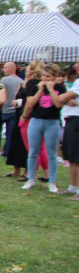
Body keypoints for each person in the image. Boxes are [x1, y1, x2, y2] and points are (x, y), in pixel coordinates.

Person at [21, 63, 66, 194]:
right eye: (44, 76)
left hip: (52, 122)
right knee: (33, 151)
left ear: (55, 77)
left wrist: (51, 90)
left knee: (52, 153)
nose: (46, 79)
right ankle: (30, 179)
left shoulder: (60, 88)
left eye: (49, 76)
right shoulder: (37, 86)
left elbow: (58, 104)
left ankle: (52, 181)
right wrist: (40, 90)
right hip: (36, 120)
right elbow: (30, 103)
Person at [0, 62, 25, 178]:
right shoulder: (21, 81)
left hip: (4, 108)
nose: (3, 69)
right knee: (10, 134)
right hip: (14, 110)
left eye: (5, 67)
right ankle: (6, 152)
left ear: (10, 69)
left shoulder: (4, 80)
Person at [59, 58, 79, 198]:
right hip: (70, 120)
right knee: (72, 156)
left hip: (76, 120)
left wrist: (65, 97)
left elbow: (61, 98)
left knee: (76, 156)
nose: (76, 65)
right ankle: (73, 186)